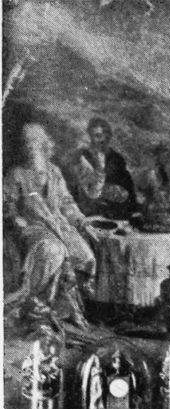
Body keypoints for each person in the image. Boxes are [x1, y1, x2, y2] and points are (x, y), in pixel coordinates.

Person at [4, 123, 95, 328]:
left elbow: (66, 203)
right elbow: (6, 203)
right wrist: (14, 217)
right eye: (27, 143)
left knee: (85, 256)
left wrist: (81, 222)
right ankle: (38, 308)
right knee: (53, 250)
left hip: (58, 225)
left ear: (45, 145)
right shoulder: (17, 174)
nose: (30, 148)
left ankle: (65, 307)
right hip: (32, 228)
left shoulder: (54, 172)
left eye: (35, 143)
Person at [68, 117, 137, 219]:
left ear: (106, 137)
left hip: (114, 210)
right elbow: (77, 187)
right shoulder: (82, 156)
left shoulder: (116, 158)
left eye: (98, 136)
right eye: (91, 136)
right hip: (88, 208)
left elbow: (127, 189)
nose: (94, 140)